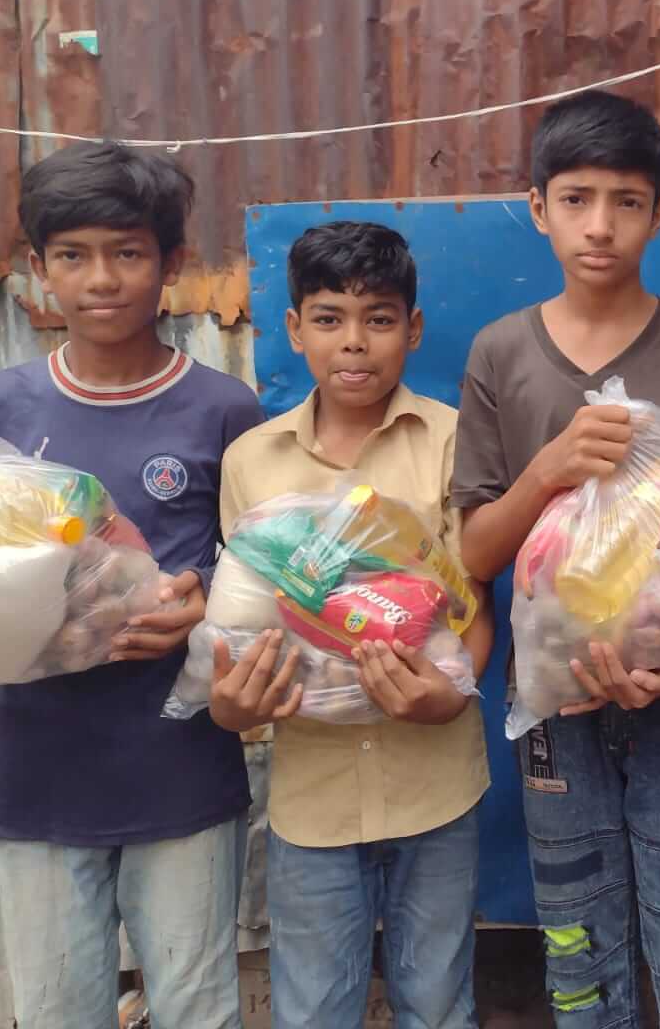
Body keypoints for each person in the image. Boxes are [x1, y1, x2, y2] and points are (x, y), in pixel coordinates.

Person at [451, 91, 660, 1029]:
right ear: (538, 206)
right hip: (554, 696)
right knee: (577, 949)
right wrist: (547, 471)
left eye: (627, 201)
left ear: (658, 212)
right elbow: (474, 552)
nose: (600, 225)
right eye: (577, 198)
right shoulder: (501, 353)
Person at [0, 141, 263, 1028]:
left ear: (171, 264)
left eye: (128, 253)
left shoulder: (223, 409)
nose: (102, 279)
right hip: (42, 763)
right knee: (59, 1006)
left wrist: (201, 603)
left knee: (196, 1003)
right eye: (74, 255)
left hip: (179, 764)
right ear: (37, 270)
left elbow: (257, 569)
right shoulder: (3, 407)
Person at [210, 221, 494, 1029]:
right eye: (329, 318)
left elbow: (474, 602)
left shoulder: (451, 441)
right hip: (314, 790)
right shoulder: (252, 462)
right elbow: (246, 613)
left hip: (435, 780)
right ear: (296, 330)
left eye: (377, 317)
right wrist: (231, 705)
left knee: (438, 1002)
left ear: (413, 328)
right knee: (312, 1007)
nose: (354, 343)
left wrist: (450, 692)